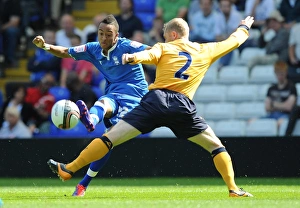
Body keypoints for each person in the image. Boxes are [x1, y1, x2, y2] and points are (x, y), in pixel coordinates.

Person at [46, 16, 255, 197]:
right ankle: (233, 189)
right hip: (182, 107)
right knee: (215, 146)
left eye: (165, 35)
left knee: (110, 138)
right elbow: (234, 41)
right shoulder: (206, 50)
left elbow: (148, 56)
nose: (164, 39)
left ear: (173, 34)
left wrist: (132, 57)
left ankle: (70, 168)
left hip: (155, 102)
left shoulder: (164, 47)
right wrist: (244, 27)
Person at [32, 14, 150, 197]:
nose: (104, 38)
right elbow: (66, 51)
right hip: (114, 94)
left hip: (135, 98)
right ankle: (91, 120)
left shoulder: (127, 46)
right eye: (101, 33)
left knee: (107, 140)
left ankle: (81, 183)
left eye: (108, 34)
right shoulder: (93, 49)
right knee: (102, 106)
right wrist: (45, 46)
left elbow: (152, 50)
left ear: (117, 36)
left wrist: (139, 57)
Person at [264, 61, 297, 130]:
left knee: (279, 123)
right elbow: (267, 107)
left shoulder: (291, 87)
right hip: (272, 115)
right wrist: (282, 105)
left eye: (282, 73)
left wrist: (273, 104)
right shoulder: (271, 88)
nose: (280, 75)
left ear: (286, 72)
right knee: (252, 121)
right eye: (278, 73)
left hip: (286, 115)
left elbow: (289, 107)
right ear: (275, 73)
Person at [0, 0, 22, 68]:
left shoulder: (14, 3)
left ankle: (10, 59)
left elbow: (15, 22)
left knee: (11, 31)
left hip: (9, 28)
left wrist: (1, 28)